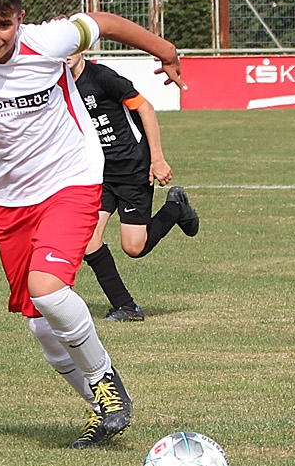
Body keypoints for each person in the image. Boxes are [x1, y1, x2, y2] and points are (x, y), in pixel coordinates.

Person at [0, 0, 185, 449]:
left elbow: (104, 22)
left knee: (48, 290)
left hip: (73, 178)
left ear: (19, 19)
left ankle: (107, 384)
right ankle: (100, 411)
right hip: (10, 200)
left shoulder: (47, 41)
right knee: (40, 323)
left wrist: (167, 52)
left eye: (3, 23)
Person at [71, 53, 200, 323]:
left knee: (134, 247)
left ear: (81, 47)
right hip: (97, 173)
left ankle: (176, 207)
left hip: (132, 168)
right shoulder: (58, 84)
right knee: (87, 240)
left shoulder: (102, 77)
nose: (66, 54)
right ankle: (126, 307)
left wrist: (157, 159)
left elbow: (146, 109)